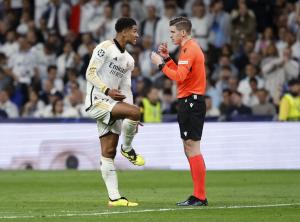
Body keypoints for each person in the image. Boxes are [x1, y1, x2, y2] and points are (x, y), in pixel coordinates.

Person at [85, 17, 145, 207]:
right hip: (97, 102)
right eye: (134, 31)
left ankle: (114, 198)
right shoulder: (104, 47)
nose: (137, 35)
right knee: (134, 113)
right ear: (124, 31)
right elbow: (89, 73)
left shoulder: (129, 60)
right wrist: (106, 90)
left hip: (112, 106)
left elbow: (126, 89)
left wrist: (132, 114)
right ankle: (127, 150)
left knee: (108, 152)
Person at [150, 16, 208, 206]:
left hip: (192, 101)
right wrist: (167, 58)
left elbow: (179, 76)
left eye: (173, 32)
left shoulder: (190, 49)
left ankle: (200, 196)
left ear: (183, 32)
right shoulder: (186, 48)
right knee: (188, 148)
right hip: (188, 101)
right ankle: (198, 194)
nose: (171, 35)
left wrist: (160, 63)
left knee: (192, 147)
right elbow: (182, 76)